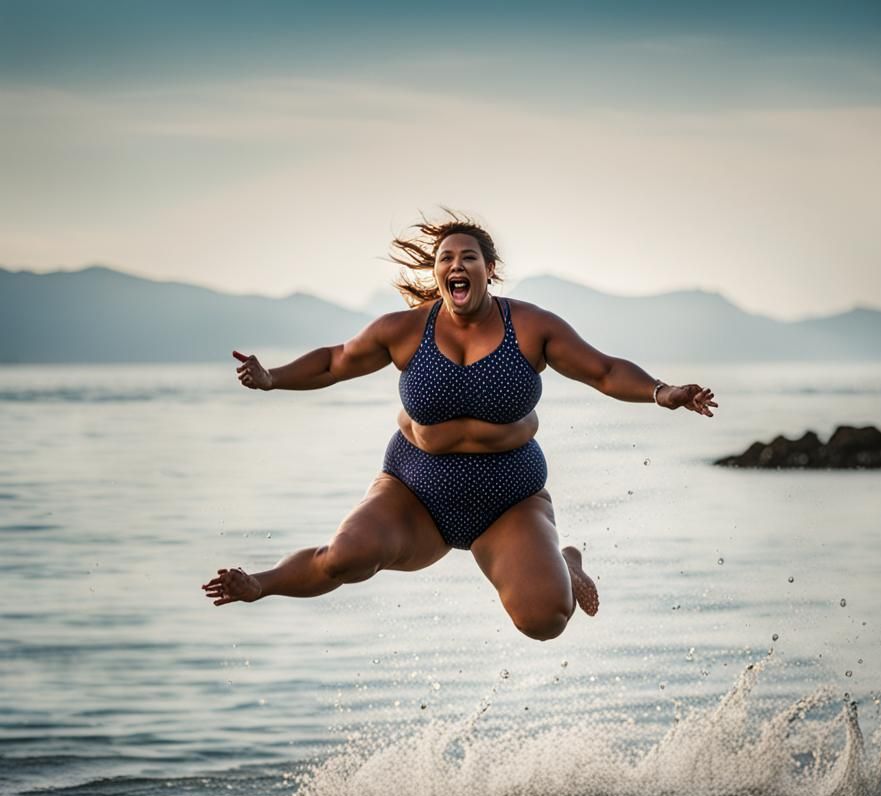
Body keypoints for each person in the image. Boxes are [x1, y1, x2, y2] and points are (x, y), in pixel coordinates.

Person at [202, 214, 717, 640]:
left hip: (509, 500)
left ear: (489, 270)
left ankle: (566, 561)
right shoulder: (405, 331)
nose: (456, 264)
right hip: (415, 493)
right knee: (345, 557)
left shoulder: (531, 327)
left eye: (468, 257)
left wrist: (661, 391)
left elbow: (603, 371)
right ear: (437, 273)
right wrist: (272, 378)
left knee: (545, 621)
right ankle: (261, 584)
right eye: (445, 258)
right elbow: (335, 361)